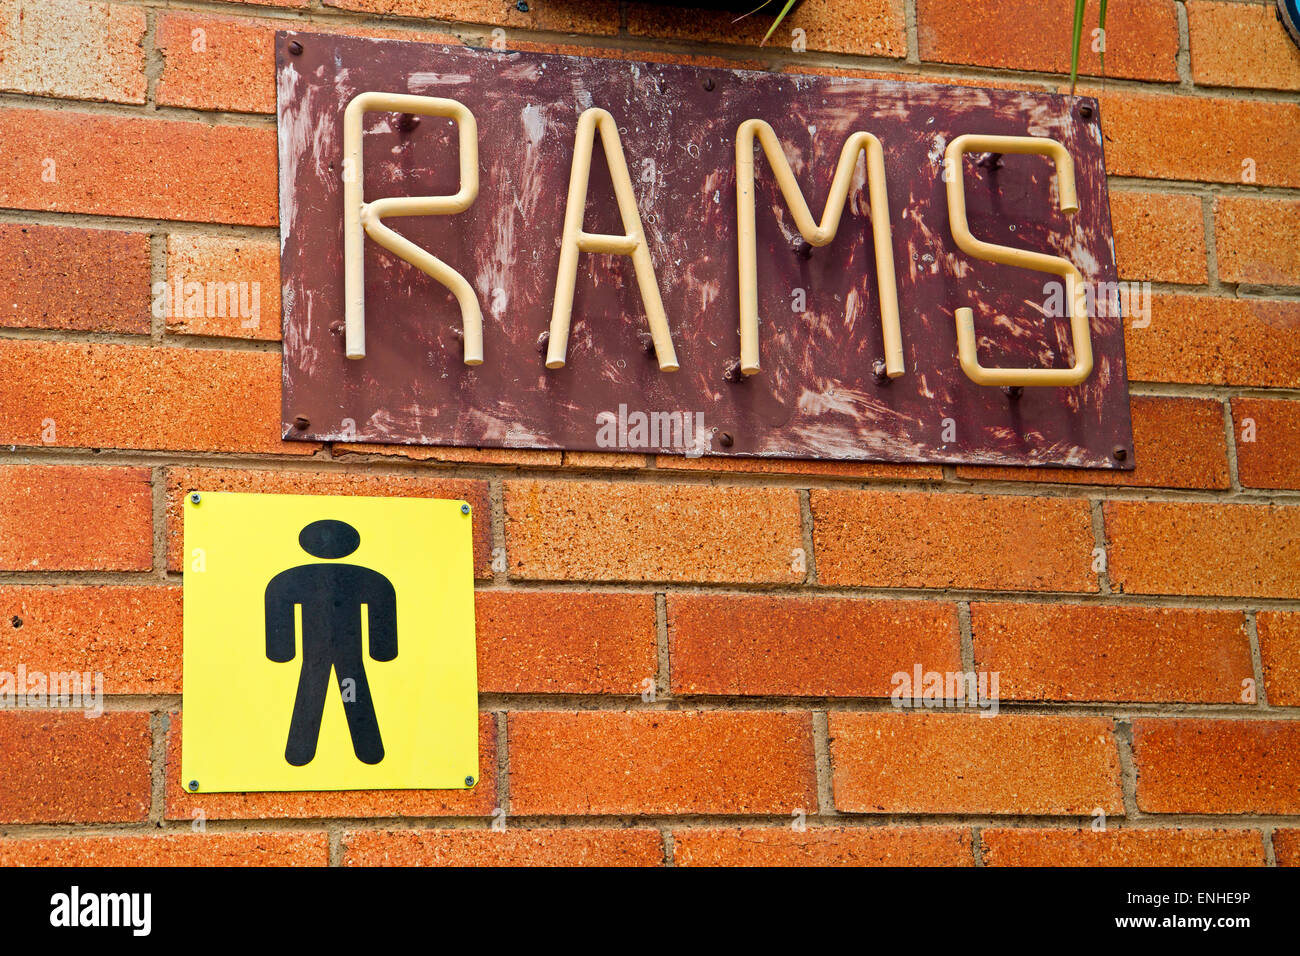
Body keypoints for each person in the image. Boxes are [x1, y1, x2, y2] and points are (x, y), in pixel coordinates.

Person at [264, 519, 397, 766]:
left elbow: (278, 601)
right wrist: (382, 650)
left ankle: (299, 754)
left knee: (312, 690)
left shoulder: (293, 577)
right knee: (351, 689)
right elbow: (383, 601)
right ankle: (369, 753)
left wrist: (281, 650)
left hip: (318, 654)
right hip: (344, 653)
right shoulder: (365, 577)